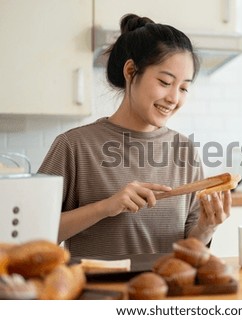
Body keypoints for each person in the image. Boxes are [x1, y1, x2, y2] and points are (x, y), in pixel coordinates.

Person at [38, 14, 231, 259]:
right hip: (98, 295)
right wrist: (105, 207)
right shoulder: (74, 146)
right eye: (164, 82)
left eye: (183, 88)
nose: (174, 98)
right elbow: (31, 234)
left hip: (164, 292)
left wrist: (206, 227)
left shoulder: (184, 150)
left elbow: (188, 250)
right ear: (131, 71)